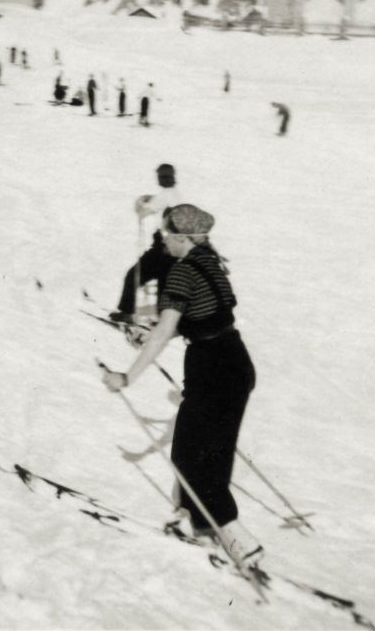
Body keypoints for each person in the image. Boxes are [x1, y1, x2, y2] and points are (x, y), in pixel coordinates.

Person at [102, 203, 258, 561]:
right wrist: (155, 335)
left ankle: (240, 543)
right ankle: (205, 532)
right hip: (234, 361)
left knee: (191, 456)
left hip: (211, 367)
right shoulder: (210, 263)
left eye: (169, 234)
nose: (165, 241)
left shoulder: (181, 272)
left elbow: (168, 328)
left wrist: (126, 375)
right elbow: (204, 319)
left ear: (185, 237)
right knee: (211, 454)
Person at [109, 163, 182, 323]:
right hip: (174, 247)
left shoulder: (164, 196)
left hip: (161, 246)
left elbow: (142, 213)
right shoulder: (176, 195)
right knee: (164, 281)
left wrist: (141, 201)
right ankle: (163, 319)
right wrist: (152, 198)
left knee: (134, 275)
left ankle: (127, 312)